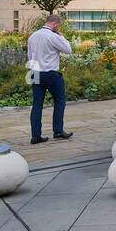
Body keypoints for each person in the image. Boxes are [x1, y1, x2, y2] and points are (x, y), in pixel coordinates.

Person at [27, 14, 73, 144]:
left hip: (35, 72)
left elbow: (30, 56)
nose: (59, 27)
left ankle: (36, 135)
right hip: (50, 73)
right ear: (55, 24)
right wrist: (61, 36)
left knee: (37, 104)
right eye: (59, 25)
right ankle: (58, 131)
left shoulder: (33, 36)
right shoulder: (53, 36)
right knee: (59, 101)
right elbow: (68, 50)